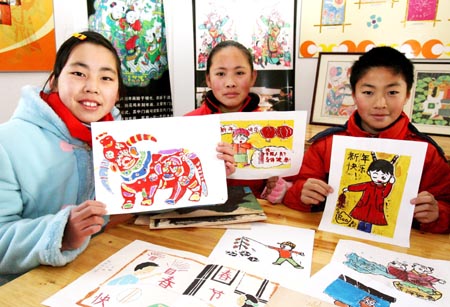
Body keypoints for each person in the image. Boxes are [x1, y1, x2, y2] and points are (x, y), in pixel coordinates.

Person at [0, 31, 236, 285]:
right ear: (55, 81)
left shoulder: (121, 140)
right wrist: (61, 233)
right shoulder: (8, 142)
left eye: (106, 77)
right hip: (27, 289)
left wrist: (210, 175)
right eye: (79, 73)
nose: (92, 86)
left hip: (104, 269)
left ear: (117, 92)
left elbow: (146, 197)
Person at [267, 46, 450, 233]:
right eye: (368, 93)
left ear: (408, 95)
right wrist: (301, 193)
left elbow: (446, 203)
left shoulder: (426, 152)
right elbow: (296, 190)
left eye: (392, 92)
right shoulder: (327, 144)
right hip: (333, 241)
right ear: (354, 95)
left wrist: (437, 213)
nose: (380, 104)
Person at [185, 40, 276, 198]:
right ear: (208, 79)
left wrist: (278, 187)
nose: (230, 83)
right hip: (198, 216)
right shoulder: (188, 124)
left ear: (253, 77)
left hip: (255, 215)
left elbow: (287, 186)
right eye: (220, 74)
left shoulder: (270, 127)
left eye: (239, 73)